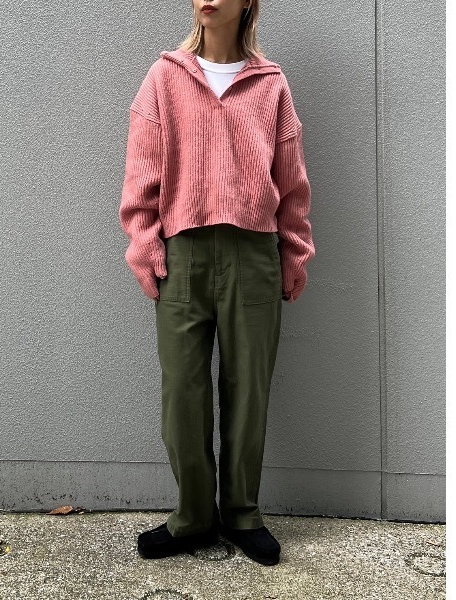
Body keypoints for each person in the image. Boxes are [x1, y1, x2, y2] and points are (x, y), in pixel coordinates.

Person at [119, 0, 315, 567]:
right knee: (182, 391)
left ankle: (242, 513)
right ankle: (192, 518)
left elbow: (291, 180)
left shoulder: (271, 84)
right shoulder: (165, 77)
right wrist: (144, 242)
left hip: (254, 254)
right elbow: (142, 169)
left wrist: (294, 250)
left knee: (248, 389)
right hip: (183, 254)